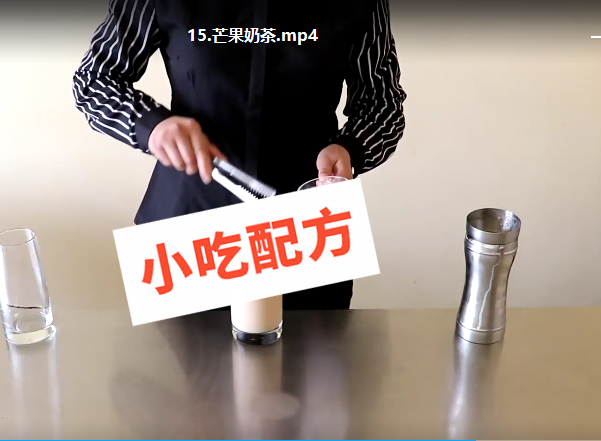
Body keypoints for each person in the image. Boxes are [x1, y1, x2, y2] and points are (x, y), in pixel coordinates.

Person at [73, 0, 406, 310]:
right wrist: (152, 126)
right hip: (189, 237)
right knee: (179, 356)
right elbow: (95, 80)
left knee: (312, 353)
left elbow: (383, 106)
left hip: (308, 233)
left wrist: (349, 149)